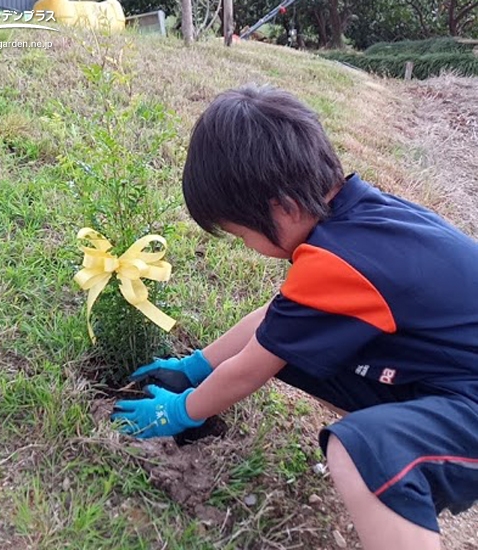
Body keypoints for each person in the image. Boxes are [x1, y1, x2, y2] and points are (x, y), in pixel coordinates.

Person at [111, 85, 478, 550]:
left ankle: (398, 471)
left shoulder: (339, 262)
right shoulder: (359, 218)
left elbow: (250, 369)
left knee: (365, 452)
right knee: (294, 345)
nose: (248, 247)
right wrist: (195, 367)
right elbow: (277, 326)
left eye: (241, 234)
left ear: (282, 207)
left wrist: (178, 411)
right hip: (454, 376)